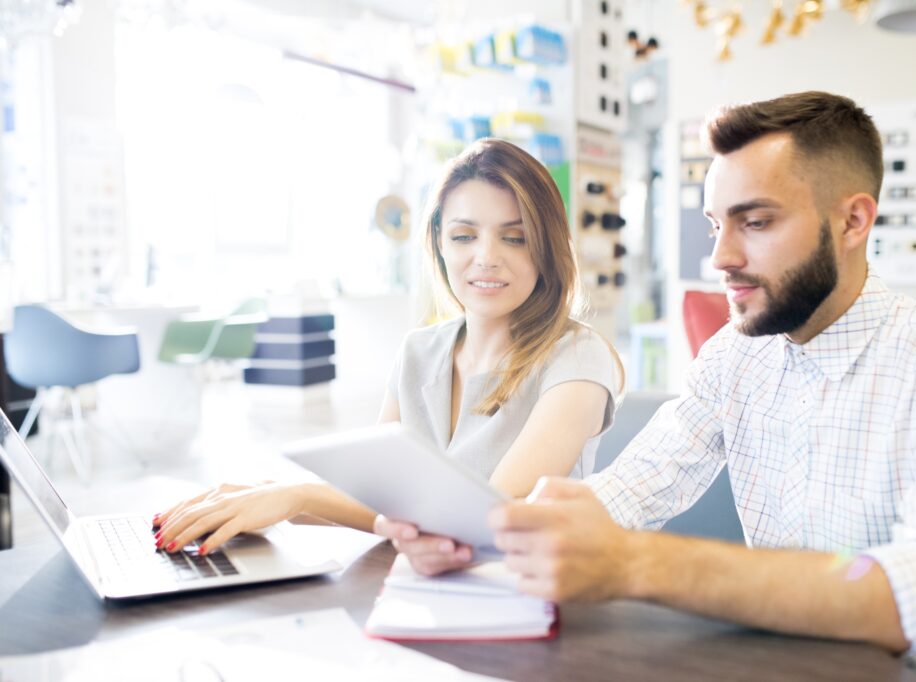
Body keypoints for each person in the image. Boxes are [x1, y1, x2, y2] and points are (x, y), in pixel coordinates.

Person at [403, 92, 916, 681]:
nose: (721, 257)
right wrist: (476, 541)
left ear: (853, 221)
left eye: (754, 222)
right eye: (715, 225)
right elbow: (627, 490)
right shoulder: (734, 357)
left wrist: (640, 564)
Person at [153, 138, 622, 561]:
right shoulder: (419, 351)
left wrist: (297, 496)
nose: (486, 256)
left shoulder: (577, 358)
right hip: (424, 589)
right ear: (438, 243)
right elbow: (380, 497)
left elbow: (488, 520)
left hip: (527, 597)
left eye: (514, 237)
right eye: (463, 235)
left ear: (546, 247)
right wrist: (265, 495)